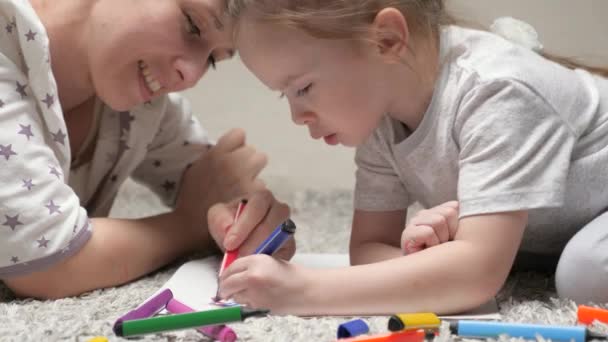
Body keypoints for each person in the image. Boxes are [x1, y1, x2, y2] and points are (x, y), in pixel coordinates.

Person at [214, 0, 608, 315]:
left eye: (302, 88)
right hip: (561, 230)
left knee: (584, 275)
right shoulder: (381, 118)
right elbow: (368, 250)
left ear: (386, 39)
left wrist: (303, 290)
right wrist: (423, 260)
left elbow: (476, 276)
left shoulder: (498, 90)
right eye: (286, 95)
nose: (297, 116)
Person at [0, 0, 292, 299]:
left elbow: (213, 182)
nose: (190, 76)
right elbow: (47, 266)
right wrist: (188, 223)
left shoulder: (136, 104)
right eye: (192, 25)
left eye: (212, 59)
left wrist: (245, 220)